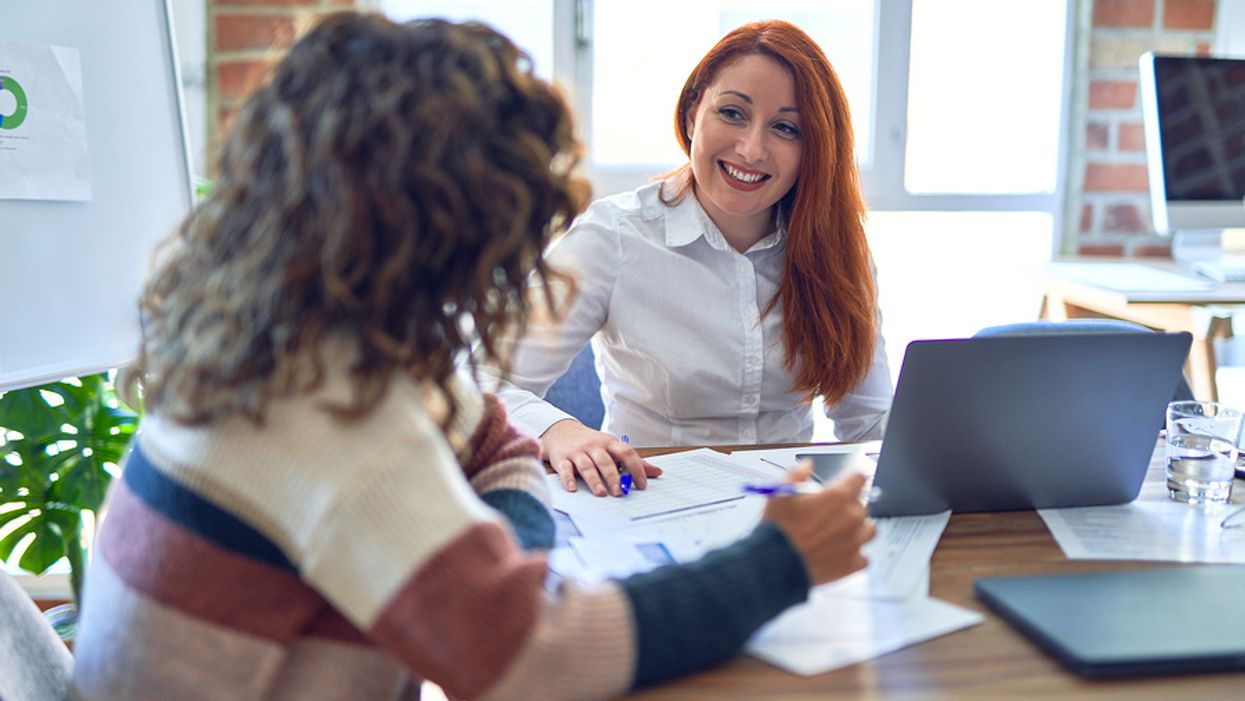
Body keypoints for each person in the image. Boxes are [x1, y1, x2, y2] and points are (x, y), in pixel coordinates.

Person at [69, 13, 875, 701]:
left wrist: (507, 490)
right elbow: (537, 658)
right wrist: (780, 560)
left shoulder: (280, 339)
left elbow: (474, 423)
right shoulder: (333, 420)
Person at [484, 19, 892, 498]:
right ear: (694, 109)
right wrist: (559, 431)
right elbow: (485, 382)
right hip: (652, 502)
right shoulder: (614, 236)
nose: (752, 148)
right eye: (733, 113)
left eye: (785, 128)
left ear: (814, 148)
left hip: (791, 514)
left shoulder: (838, 248)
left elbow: (871, 423)